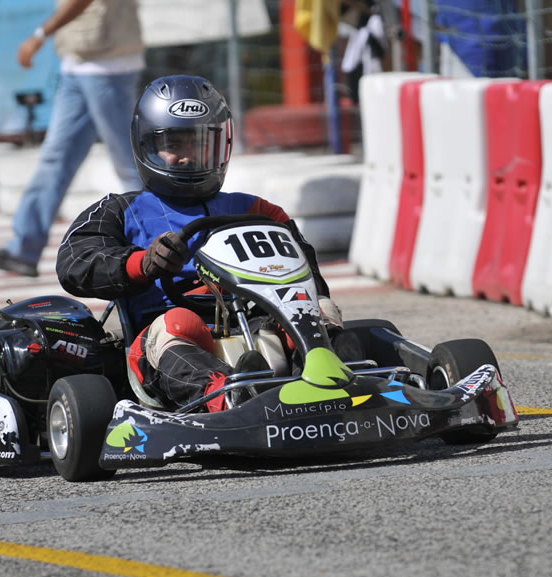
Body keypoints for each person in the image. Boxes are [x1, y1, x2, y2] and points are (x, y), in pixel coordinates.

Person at [56, 74, 344, 412]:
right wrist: (142, 263)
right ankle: (228, 398)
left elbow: (306, 276)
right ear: (146, 145)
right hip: (164, 336)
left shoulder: (256, 210)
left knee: (317, 310)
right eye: (174, 144)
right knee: (180, 322)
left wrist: (315, 311)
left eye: (199, 143)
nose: (187, 156)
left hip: (250, 322)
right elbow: (75, 262)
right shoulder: (121, 211)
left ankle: (330, 379)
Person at [0, 0, 144, 278]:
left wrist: (40, 34)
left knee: (129, 165)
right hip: (77, 64)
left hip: (107, 65)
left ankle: (160, 241)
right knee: (55, 158)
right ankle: (23, 249)